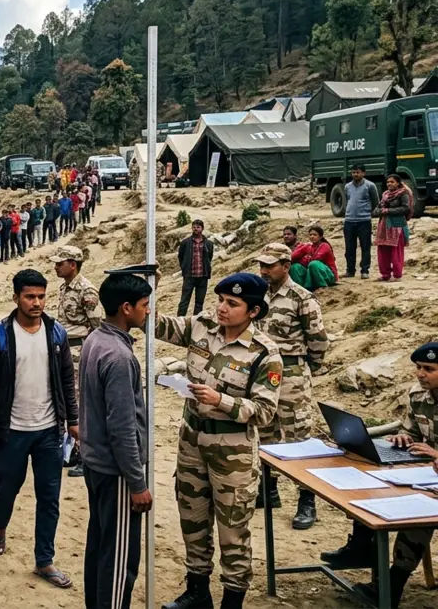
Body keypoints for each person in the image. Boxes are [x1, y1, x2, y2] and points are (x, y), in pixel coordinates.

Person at [157, 273, 282, 609]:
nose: (222, 309)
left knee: (232, 533)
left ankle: (232, 600)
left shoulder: (264, 354)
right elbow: (157, 325)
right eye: (221, 300)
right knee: (192, 519)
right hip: (192, 440)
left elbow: (265, 412)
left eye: (233, 304)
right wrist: (148, 289)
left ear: (253, 312)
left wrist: (221, 400)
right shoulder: (202, 326)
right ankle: (198, 591)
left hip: (234, 452)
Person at [0, 270, 78, 590]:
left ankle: (44, 560)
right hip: (12, 431)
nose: (36, 303)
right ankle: (0, 525)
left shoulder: (56, 333)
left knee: (49, 497)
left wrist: (73, 421)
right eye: (29, 297)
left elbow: (67, 381)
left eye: (41, 297)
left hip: (49, 430)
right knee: (7, 489)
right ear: (16, 297)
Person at [319, 342, 438, 608]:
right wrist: (404, 437)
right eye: (418, 367)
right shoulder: (419, 395)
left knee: (417, 513)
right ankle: (361, 547)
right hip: (423, 471)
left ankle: (393, 583)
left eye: (429, 369)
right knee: (370, 480)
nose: (420, 374)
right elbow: (415, 432)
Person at [80, 273, 153, 609]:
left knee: (100, 546)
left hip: (96, 464)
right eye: (144, 305)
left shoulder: (96, 339)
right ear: (126, 308)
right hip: (117, 472)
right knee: (121, 559)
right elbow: (122, 426)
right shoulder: (120, 357)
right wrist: (137, 482)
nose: (148, 311)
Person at [252, 243, 329, 530]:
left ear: (286, 266)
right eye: (262, 265)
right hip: (264, 372)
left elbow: (318, 339)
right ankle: (268, 491)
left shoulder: (301, 298)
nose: (264, 270)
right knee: (266, 431)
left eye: (270, 265)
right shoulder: (259, 295)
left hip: (292, 371)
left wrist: (312, 367)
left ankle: (306, 500)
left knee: (299, 436)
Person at [50, 245, 103, 479]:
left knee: (80, 403)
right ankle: (71, 450)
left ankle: (85, 456)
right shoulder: (65, 288)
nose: (55, 267)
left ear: (73, 264)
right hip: (64, 351)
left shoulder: (87, 291)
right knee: (66, 400)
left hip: (79, 353)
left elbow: (97, 327)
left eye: (60, 263)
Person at [342, 163, 379, 279]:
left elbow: (376, 202)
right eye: (353, 172)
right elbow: (348, 200)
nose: (355, 174)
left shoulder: (370, 186)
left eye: (358, 172)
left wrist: (370, 214)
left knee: (365, 247)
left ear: (363, 173)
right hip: (349, 221)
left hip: (364, 221)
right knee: (349, 247)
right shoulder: (347, 186)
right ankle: (350, 270)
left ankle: (365, 270)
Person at [374, 173, 413, 282]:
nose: (389, 184)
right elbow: (376, 209)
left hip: (397, 226)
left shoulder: (403, 194)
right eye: (388, 182)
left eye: (392, 182)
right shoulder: (385, 195)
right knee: (382, 251)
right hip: (383, 226)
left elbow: (406, 209)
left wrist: (388, 211)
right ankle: (385, 274)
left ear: (398, 183)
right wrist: (379, 211)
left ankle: (397, 275)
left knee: (396, 252)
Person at [176, 220, 214, 316]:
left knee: (199, 303)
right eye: (194, 227)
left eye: (198, 227)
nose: (195, 229)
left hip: (202, 276)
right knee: (184, 301)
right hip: (189, 276)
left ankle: (196, 323)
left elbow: (209, 257)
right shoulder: (185, 242)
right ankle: (179, 321)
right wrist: (184, 268)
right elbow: (181, 256)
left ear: (202, 228)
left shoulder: (209, 244)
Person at [289, 225, 338, 290]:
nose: (312, 236)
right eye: (310, 235)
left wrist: (302, 259)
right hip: (312, 272)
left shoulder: (325, 246)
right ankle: (299, 289)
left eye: (315, 235)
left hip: (329, 275)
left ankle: (322, 286)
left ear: (320, 237)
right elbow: (293, 256)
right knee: (295, 267)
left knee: (314, 264)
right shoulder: (308, 246)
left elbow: (315, 258)